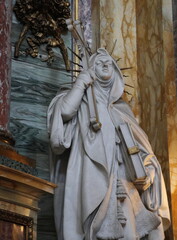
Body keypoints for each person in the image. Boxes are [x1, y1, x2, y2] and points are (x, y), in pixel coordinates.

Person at [47, 48, 170, 240]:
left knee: (131, 234)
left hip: (124, 183)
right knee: (95, 231)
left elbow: (141, 151)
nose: (105, 65)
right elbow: (63, 114)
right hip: (91, 178)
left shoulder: (122, 111)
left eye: (109, 63)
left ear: (116, 75)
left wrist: (150, 168)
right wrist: (81, 84)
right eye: (98, 63)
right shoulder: (79, 103)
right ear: (90, 70)